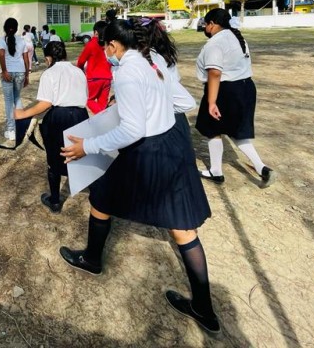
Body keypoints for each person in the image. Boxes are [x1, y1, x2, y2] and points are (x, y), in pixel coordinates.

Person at [59, 19, 219, 334]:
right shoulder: (154, 59)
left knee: (101, 198)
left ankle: (92, 259)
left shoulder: (128, 74)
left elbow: (132, 130)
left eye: (106, 47)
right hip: (171, 143)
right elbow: (182, 101)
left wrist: (87, 146)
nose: (106, 54)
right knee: (183, 228)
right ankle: (204, 308)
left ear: (113, 45)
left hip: (146, 150)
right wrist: (155, 110)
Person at [195, 8, 274, 187]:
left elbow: (215, 72)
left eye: (206, 25)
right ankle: (261, 167)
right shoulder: (238, 37)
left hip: (225, 89)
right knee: (236, 131)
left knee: (213, 129)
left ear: (212, 24)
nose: (205, 28)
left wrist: (212, 101)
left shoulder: (216, 43)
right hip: (245, 87)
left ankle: (217, 170)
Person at [14, 41, 88, 213]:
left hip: (59, 118)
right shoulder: (78, 71)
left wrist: (23, 114)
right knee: (78, 153)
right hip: (80, 116)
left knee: (54, 158)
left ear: (48, 58)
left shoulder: (50, 73)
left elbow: (45, 104)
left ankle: (55, 200)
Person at [0, 18, 30, 143]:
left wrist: (4, 71)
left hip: (9, 72)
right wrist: (27, 75)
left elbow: (1, 55)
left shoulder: (1, 40)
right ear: (16, 28)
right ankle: (21, 127)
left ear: (5, 27)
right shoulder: (22, 41)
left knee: (8, 101)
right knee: (17, 98)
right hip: (21, 72)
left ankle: (11, 130)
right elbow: (26, 59)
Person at [76, 20, 112, 114]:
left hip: (93, 79)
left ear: (96, 32)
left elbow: (81, 61)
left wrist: (81, 70)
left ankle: (103, 117)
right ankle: (104, 120)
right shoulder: (109, 44)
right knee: (102, 105)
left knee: (88, 99)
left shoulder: (91, 44)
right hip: (107, 78)